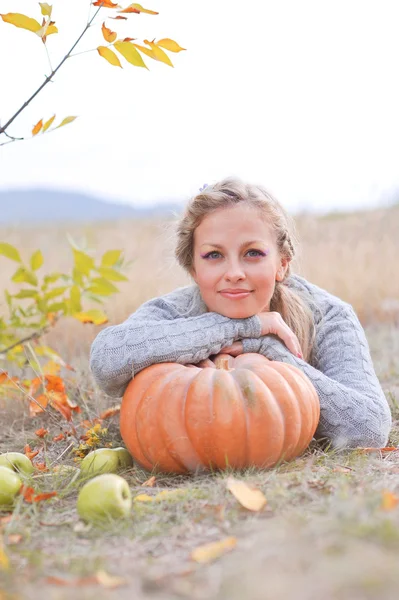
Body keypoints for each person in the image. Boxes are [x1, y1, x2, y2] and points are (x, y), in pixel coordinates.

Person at [89, 177, 392, 450]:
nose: (234, 273)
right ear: (194, 269)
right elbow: (106, 361)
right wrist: (247, 325)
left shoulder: (328, 316)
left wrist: (267, 348)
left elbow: (368, 430)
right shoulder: (175, 310)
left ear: (282, 264)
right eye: (214, 255)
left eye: (253, 253)